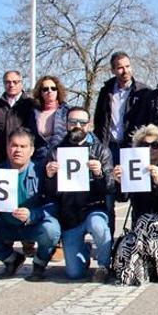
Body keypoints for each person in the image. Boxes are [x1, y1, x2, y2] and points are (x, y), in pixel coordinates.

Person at [0, 128, 61, 282]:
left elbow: (54, 205)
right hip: (5, 224)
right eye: (14, 146)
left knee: (52, 229)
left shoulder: (41, 171)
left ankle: (40, 263)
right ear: (7, 148)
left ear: (31, 150)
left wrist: (32, 214)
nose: (18, 150)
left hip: (33, 225)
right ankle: (11, 258)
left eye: (23, 147)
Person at [42, 107, 115, 282]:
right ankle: (84, 249)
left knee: (98, 226)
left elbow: (110, 188)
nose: (77, 126)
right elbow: (49, 193)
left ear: (89, 125)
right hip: (69, 213)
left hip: (94, 208)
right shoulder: (55, 152)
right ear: (66, 125)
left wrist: (99, 174)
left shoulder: (101, 151)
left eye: (82, 122)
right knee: (74, 273)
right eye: (73, 122)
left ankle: (104, 265)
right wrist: (49, 177)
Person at [111, 124, 158, 285]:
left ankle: (151, 266)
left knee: (147, 220)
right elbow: (123, 198)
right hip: (140, 229)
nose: (150, 149)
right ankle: (137, 271)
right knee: (130, 243)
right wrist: (119, 182)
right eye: (145, 145)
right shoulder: (132, 167)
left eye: (155, 145)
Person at [93, 51, 151, 158]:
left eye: (128, 66)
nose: (125, 71)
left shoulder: (145, 92)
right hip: (109, 148)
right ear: (113, 70)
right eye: (120, 68)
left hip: (133, 148)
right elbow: (98, 121)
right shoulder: (106, 91)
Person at [0, 70, 36, 166]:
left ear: (21, 83)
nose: (11, 85)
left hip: (25, 159)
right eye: (8, 82)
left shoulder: (31, 104)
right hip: (1, 158)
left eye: (15, 82)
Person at [29, 75, 70, 176]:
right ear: (40, 92)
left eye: (53, 88)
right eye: (45, 89)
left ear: (58, 91)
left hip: (61, 160)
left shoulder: (67, 111)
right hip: (39, 160)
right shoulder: (33, 113)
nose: (50, 91)